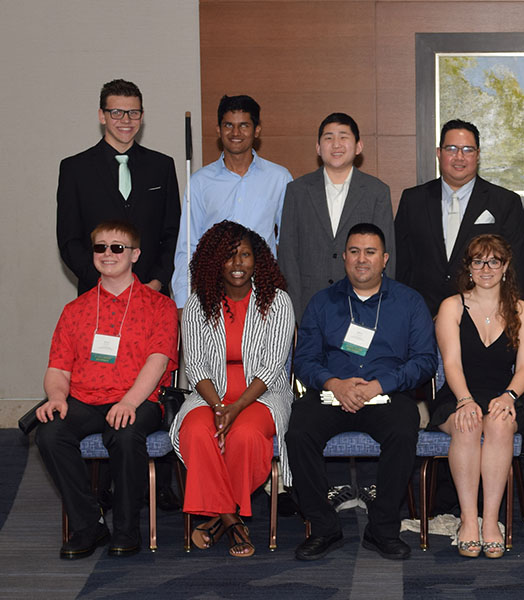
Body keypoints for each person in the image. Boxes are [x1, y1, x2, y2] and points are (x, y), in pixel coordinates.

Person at [285, 223, 436, 561]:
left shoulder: (409, 302)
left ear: (384, 259)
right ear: (344, 258)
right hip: (332, 393)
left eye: (370, 252)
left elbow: (425, 361)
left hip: (387, 393)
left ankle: (382, 529)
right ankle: (324, 527)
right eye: (354, 251)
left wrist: (383, 384)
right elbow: (304, 360)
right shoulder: (322, 302)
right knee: (299, 432)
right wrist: (334, 383)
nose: (361, 259)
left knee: (403, 428)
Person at [36, 220, 177, 558]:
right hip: (85, 398)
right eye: (100, 247)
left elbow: (157, 363)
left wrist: (128, 402)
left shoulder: (160, 306)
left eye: (118, 247)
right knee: (50, 434)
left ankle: (127, 530)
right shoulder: (75, 310)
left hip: (138, 399)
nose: (108, 254)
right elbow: (57, 368)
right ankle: (89, 525)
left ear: (135, 254)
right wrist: (56, 397)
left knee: (124, 433)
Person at [171, 221, 295, 558]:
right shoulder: (198, 304)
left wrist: (235, 407)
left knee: (246, 436)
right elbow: (194, 365)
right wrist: (217, 407)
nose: (238, 263)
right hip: (209, 394)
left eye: (245, 255)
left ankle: (214, 520)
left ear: (259, 260)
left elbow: (272, 366)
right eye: (229, 256)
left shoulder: (277, 301)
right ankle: (232, 519)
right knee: (196, 432)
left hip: (262, 395)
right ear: (215, 262)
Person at [429, 235, 524, 559]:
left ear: (505, 267)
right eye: (478, 261)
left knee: (500, 426)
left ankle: (490, 522)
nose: (486, 268)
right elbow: (451, 363)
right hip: (458, 394)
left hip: (504, 395)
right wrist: (464, 400)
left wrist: (509, 396)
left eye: (494, 261)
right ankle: (467, 521)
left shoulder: (523, 310)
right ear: (469, 267)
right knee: (469, 424)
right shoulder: (452, 306)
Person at [57, 79, 180, 296]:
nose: (126, 120)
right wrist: (104, 284)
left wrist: (157, 281)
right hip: (96, 294)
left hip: (151, 293)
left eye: (133, 113)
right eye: (116, 112)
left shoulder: (162, 166)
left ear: (142, 117)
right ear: (102, 116)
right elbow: (69, 240)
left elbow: (173, 233)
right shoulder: (75, 168)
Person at [396, 119, 524, 316]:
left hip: (483, 317)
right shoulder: (413, 200)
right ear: (438, 153)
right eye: (451, 149)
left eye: (468, 150)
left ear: (477, 155)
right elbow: (401, 264)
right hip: (422, 315)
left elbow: (518, 265)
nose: (459, 157)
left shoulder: (505, 202)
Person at [170, 95, 293, 308]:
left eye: (244, 125)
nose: (235, 133)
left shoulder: (279, 178)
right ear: (218, 130)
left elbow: (289, 242)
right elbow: (187, 245)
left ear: (257, 130)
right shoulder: (200, 181)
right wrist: (183, 300)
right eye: (228, 125)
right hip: (212, 293)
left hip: (263, 293)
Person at [278, 113, 395, 319]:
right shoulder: (297, 190)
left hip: (362, 305)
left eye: (344, 137)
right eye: (328, 138)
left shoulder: (377, 191)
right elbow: (288, 256)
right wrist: (293, 314)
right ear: (318, 147)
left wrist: (380, 308)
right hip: (308, 306)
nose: (336, 144)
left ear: (358, 146)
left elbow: (386, 255)